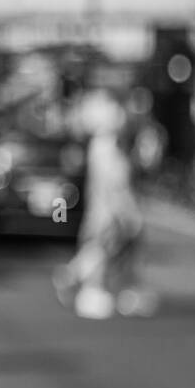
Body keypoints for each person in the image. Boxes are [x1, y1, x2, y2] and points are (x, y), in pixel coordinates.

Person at [54, 89, 157, 320]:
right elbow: (115, 185)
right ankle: (88, 287)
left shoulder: (107, 146)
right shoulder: (106, 147)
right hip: (108, 211)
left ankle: (76, 279)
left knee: (104, 249)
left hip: (106, 210)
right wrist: (128, 212)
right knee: (103, 249)